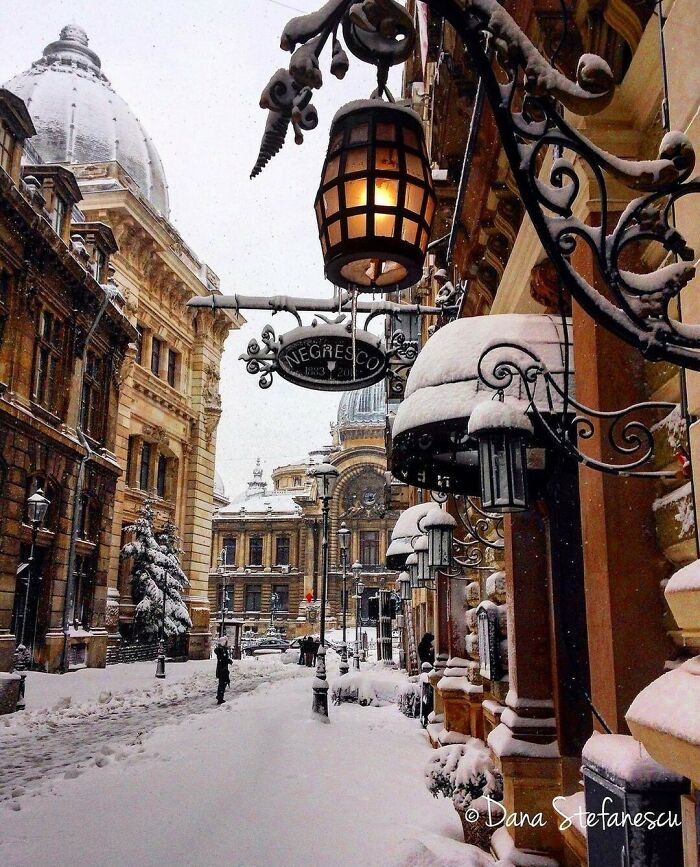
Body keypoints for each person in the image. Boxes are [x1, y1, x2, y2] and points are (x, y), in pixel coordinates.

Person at [215, 635, 232, 704]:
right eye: (226, 642)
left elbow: (223, 658)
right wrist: (227, 660)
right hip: (222, 669)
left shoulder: (223, 649)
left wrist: (228, 660)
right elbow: (222, 659)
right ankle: (220, 698)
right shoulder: (220, 650)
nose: (226, 644)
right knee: (222, 683)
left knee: (223, 683)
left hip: (223, 669)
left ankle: (220, 696)